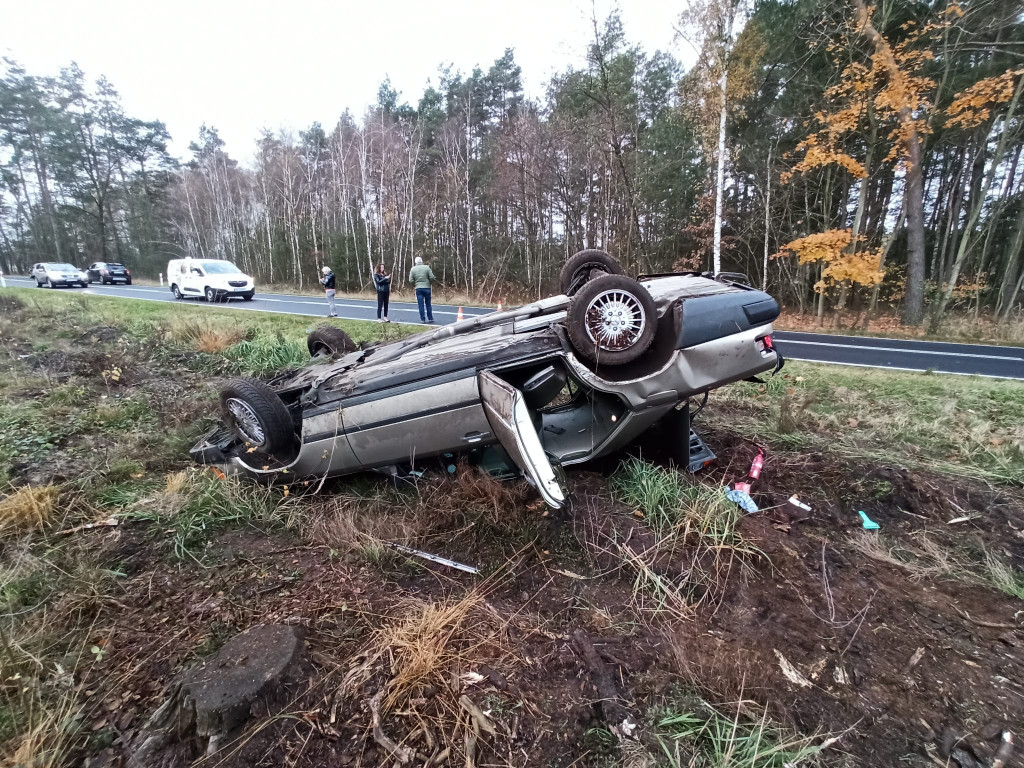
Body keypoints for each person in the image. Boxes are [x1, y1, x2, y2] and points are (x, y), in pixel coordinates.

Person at [408, 256, 436, 324]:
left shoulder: (413, 269)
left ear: (415, 262)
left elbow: (410, 280)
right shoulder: (427, 267)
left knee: (421, 304)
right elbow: (432, 277)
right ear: (422, 261)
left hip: (418, 288)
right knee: (428, 304)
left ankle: (422, 319)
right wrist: (429, 283)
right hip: (427, 287)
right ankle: (430, 318)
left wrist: (415, 284)